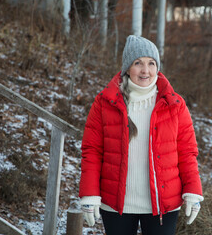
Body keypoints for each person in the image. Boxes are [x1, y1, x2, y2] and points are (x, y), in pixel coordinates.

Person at [79, 35, 203, 235]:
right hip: (116, 205)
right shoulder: (104, 102)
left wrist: (193, 191)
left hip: (163, 204)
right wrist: (90, 194)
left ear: (157, 67)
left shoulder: (175, 105)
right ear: (127, 68)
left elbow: (187, 152)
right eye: (138, 63)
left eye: (151, 63)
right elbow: (92, 151)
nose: (146, 70)